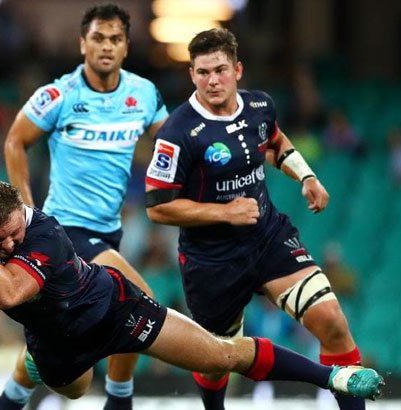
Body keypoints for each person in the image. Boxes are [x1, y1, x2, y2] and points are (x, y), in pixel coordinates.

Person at [0, 181, 384, 405]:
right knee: (76, 392)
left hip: (115, 310)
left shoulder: (41, 231)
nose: (7, 244)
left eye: (11, 234)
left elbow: (8, 293)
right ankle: (30, 370)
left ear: (22, 216)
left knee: (220, 354)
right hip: (59, 345)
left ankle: (332, 378)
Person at [144, 28, 365, 410]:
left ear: (238, 70)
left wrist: (306, 176)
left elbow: (275, 141)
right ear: (192, 75)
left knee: (332, 322)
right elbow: (157, 206)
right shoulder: (178, 132)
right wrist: (224, 212)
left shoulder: (260, 106)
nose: (212, 80)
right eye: (202, 72)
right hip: (210, 261)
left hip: (267, 238)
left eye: (220, 70)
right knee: (216, 361)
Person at [3, 4, 168, 408]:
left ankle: (8, 401)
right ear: (83, 43)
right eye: (98, 38)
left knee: (66, 339)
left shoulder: (143, 94)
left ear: (127, 46)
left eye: (114, 39)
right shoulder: (59, 95)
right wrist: (28, 213)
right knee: (141, 305)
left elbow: (173, 141)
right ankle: (119, 399)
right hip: (67, 231)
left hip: (109, 232)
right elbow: (15, 141)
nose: (106, 47)